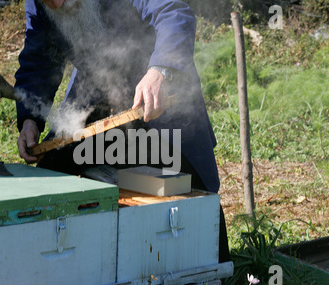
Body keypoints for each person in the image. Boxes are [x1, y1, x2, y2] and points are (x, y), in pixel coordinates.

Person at [15, 0, 230, 262]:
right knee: (54, 172)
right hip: (95, 98)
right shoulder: (37, 5)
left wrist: (160, 70)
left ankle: (208, 262)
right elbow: (38, 59)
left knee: (187, 189)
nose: (59, 4)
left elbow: (173, 12)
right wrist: (30, 120)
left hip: (156, 95)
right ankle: (74, 261)